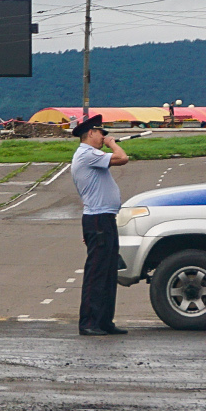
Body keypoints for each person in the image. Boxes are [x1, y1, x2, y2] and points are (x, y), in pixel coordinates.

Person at [70, 114, 130, 336]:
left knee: (107, 272)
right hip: (98, 219)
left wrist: (108, 144)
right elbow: (122, 158)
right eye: (101, 133)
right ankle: (88, 322)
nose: (103, 136)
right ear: (91, 133)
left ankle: (104, 320)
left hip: (104, 218)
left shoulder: (92, 155)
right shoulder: (87, 155)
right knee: (96, 272)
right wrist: (112, 143)